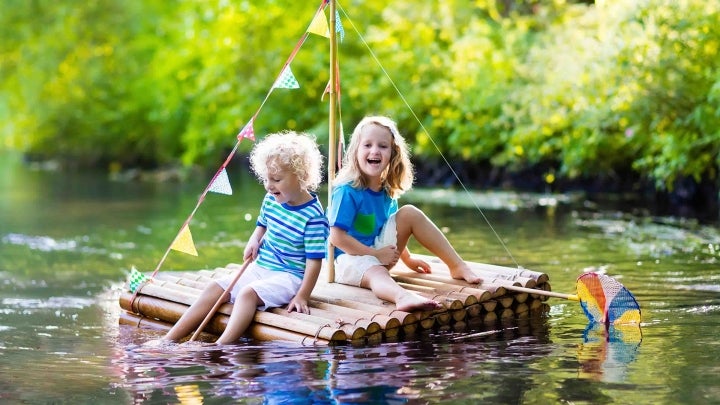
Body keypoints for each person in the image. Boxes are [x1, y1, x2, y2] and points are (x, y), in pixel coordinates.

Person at [160, 131, 328, 345]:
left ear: (301, 176)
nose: (269, 186)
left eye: (276, 179)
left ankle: (221, 345)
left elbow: (314, 263)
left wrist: (302, 295)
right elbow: (262, 225)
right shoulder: (271, 199)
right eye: (266, 179)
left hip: (290, 276)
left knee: (247, 294)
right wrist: (254, 240)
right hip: (261, 267)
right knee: (216, 287)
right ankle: (169, 339)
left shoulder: (312, 216)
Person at [327, 116, 482, 312]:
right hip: (347, 260)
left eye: (382, 146)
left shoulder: (386, 190)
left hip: (378, 255)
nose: (374, 150)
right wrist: (375, 255)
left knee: (409, 213)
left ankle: (456, 265)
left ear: (393, 154)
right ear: (355, 151)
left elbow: (390, 230)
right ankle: (402, 297)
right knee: (376, 272)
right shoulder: (347, 190)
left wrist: (407, 259)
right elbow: (336, 237)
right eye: (367, 145)